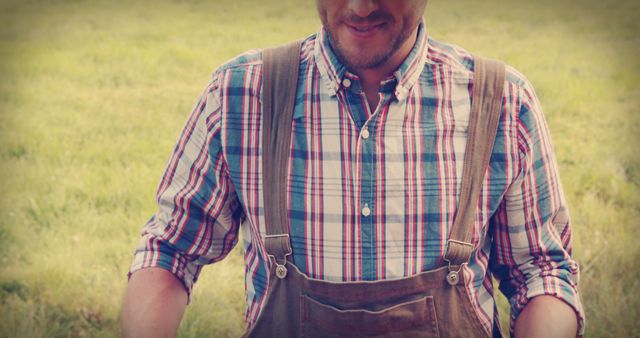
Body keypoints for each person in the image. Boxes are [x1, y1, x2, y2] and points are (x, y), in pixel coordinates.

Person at [122, 1, 584, 337]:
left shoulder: (501, 101)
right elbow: (171, 250)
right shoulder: (241, 94)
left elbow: (540, 271)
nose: (361, 7)